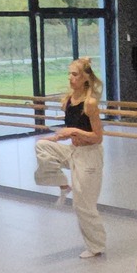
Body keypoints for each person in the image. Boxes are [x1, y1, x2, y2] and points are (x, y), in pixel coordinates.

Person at [31, 59, 109, 258]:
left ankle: (97, 246)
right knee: (42, 146)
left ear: (85, 78)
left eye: (74, 74)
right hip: (73, 151)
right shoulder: (67, 101)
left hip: (89, 155)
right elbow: (70, 131)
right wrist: (57, 138)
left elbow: (97, 137)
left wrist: (73, 131)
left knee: (83, 205)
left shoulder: (90, 104)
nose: (70, 78)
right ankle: (63, 184)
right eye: (69, 74)